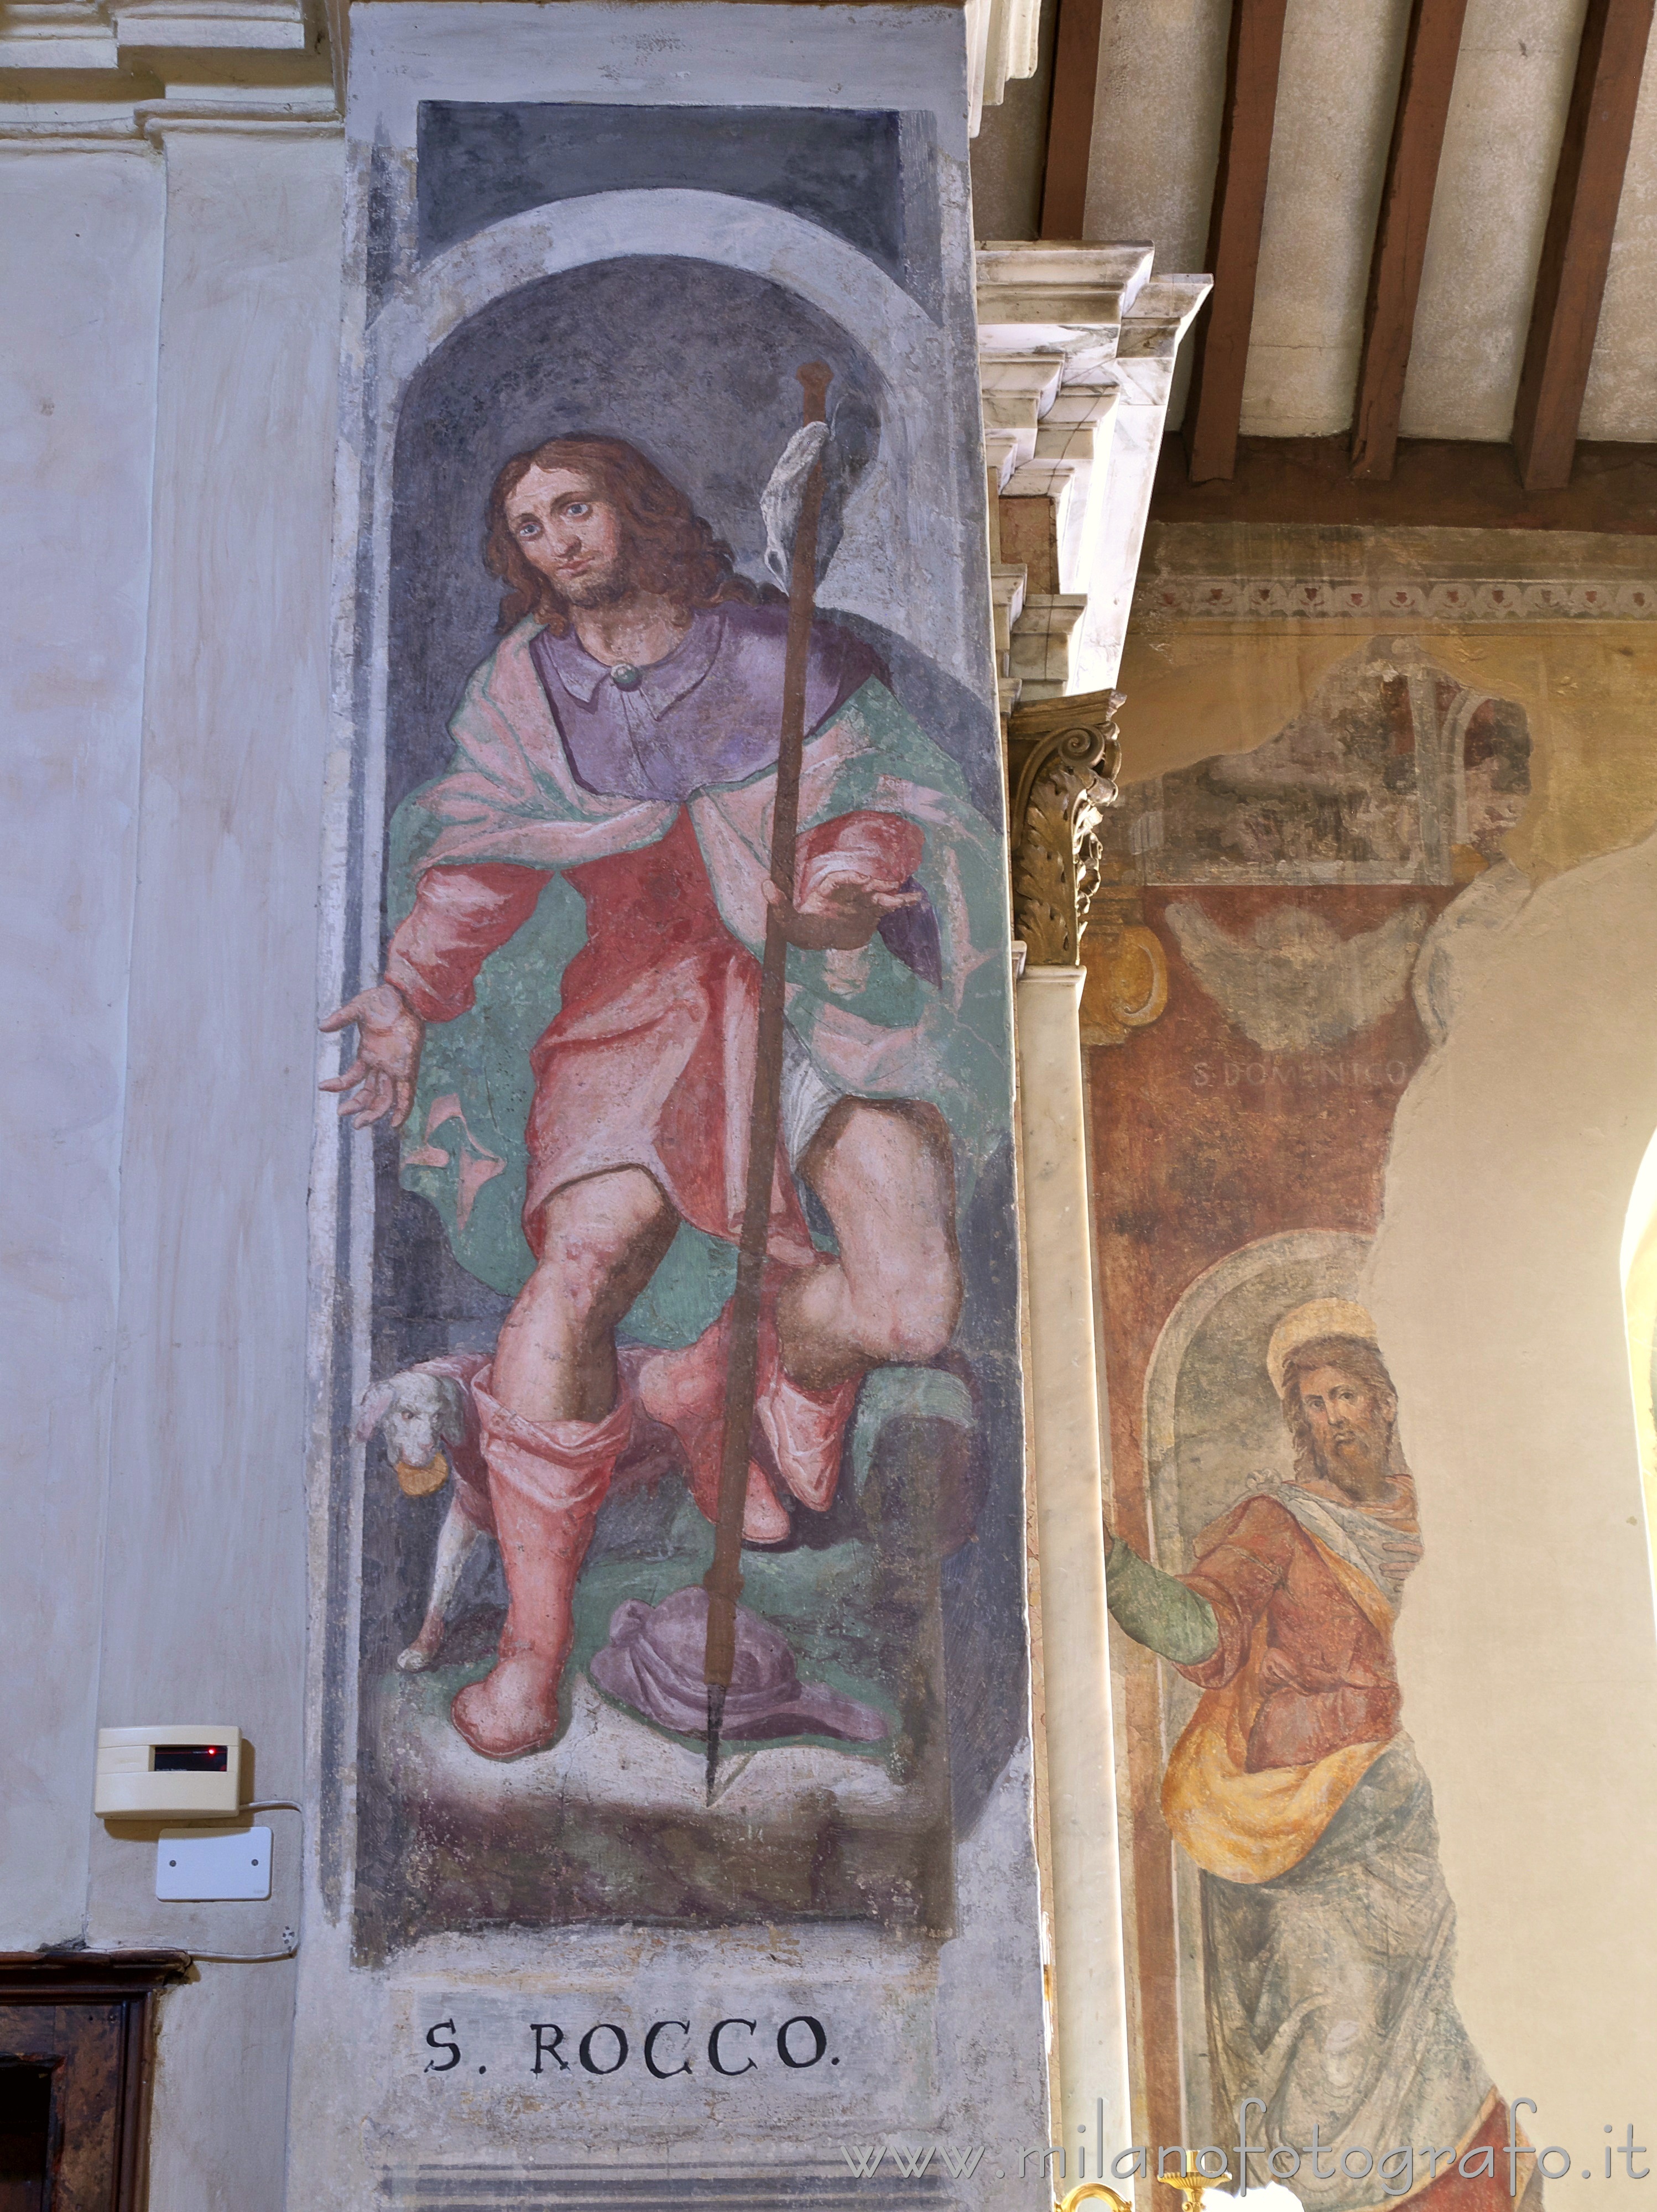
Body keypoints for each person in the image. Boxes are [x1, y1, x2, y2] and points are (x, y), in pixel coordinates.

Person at [321, 434, 1005, 1762]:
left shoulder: (772, 652)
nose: (557, 541)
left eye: (575, 508)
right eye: (528, 527)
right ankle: (531, 1653)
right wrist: (409, 990)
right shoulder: (525, 690)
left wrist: (847, 880)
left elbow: (887, 800)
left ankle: (710, 1378)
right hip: (638, 1002)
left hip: (809, 997)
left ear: (631, 509)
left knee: (912, 1308)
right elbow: (476, 857)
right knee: (573, 1274)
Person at [1104, 1300, 1537, 2212]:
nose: (1331, 1417)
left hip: (1427, 1830)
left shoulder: (1441, 1514)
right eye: (1311, 1403)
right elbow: (1207, 1630)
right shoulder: (1279, 1522)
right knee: (1330, 2019)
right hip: (1299, 1844)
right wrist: (1109, 1571)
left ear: (1386, 1403)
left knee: (1480, 2014)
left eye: (1346, 1395)